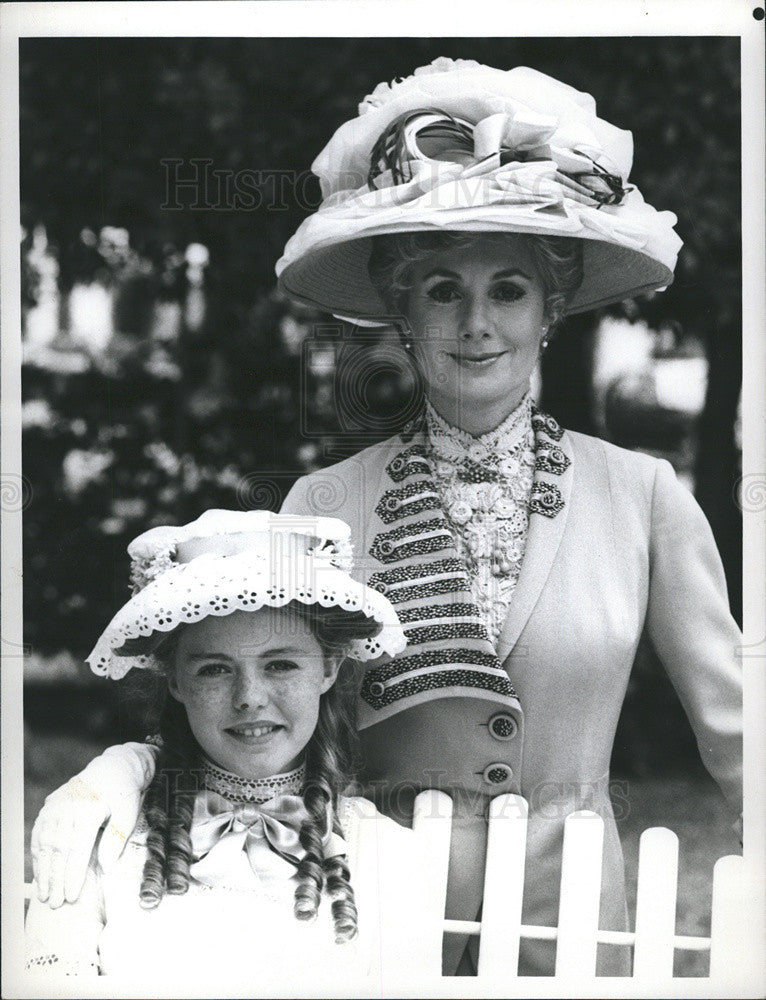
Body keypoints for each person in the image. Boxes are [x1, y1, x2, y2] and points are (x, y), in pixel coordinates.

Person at [31, 60, 743, 976]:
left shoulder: (646, 497)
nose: (477, 323)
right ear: (403, 310)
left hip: (573, 930)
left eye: (509, 289)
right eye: (444, 288)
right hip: (367, 917)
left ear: (553, 307)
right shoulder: (321, 507)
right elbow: (246, 705)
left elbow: (737, 734)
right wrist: (112, 776)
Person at [26, 510, 433, 981]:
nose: (249, 699)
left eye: (280, 665)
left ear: (328, 669)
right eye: (215, 669)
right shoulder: (104, 827)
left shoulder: (387, 854)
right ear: (175, 680)